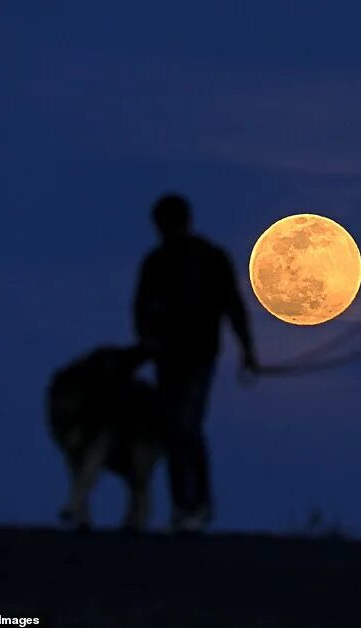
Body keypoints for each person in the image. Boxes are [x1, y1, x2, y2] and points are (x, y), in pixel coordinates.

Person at [133, 193, 257, 532]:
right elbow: (141, 309)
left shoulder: (210, 258)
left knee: (185, 427)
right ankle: (184, 506)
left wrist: (247, 349)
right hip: (168, 358)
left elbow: (233, 307)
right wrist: (148, 342)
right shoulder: (156, 262)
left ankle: (195, 505)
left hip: (199, 357)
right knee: (176, 431)